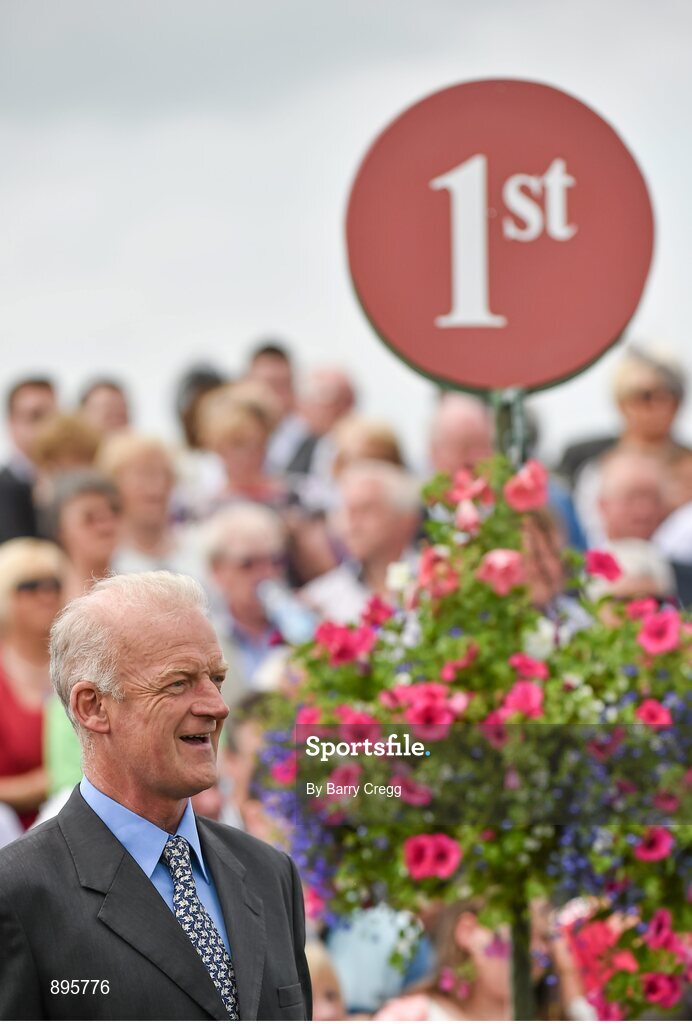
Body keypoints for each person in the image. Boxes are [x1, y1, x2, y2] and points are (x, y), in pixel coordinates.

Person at [0, 571, 312, 1021]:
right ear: (93, 707)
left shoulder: (269, 873)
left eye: (217, 679)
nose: (216, 705)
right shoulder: (20, 895)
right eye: (179, 683)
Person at [302, 460, 421, 623]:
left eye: (366, 510)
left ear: (406, 520)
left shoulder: (438, 578)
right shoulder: (319, 600)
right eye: (346, 511)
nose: (352, 524)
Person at [0, 539, 66, 828]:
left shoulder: (78, 666)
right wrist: (48, 782)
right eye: (29, 586)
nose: (46, 595)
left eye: (53, 584)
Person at [98, 431, 202, 577]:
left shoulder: (196, 545)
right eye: (144, 474)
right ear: (115, 484)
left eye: (165, 474)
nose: (157, 486)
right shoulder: (103, 556)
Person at [0, 377, 57, 543]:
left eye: (53, 417)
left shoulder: (69, 484)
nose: (47, 427)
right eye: (35, 417)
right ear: (11, 424)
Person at [246, 342, 310, 473]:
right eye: (266, 385)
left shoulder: (312, 439)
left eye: (282, 385)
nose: (273, 396)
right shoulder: (230, 440)